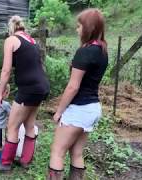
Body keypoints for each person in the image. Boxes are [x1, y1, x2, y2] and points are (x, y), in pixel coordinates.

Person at [47, 9, 108, 180]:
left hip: (78, 109)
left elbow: (73, 87)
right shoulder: (102, 50)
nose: (77, 29)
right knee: (76, 152)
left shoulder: (85, 51)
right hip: (93, 108)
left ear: (88, 27)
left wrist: (59, 111)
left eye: (79, 25)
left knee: (57, 152)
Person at [0, 15, 50, 171]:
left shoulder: (11, 40)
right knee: (29, 124)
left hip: (28, 88)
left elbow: (6, 69)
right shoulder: (31, 41)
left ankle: (5, 163)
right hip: (41, 86)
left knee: (12, 126)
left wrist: (0, 94)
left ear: (10, 28)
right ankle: (25, 160)